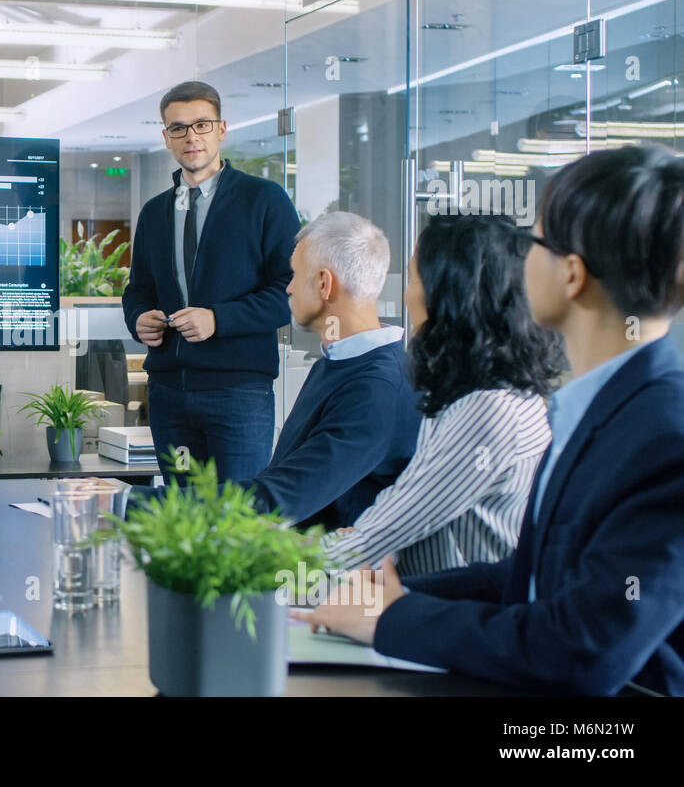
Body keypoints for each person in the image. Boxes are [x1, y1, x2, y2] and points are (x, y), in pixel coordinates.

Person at [298, 145, 684, 696]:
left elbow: (584, 649)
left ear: (572, 274)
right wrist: (395, 599)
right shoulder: (599, 406)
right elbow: (531, 577)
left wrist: (390, 619)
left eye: (536, 241)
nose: (518, 260)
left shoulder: (664, 435)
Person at [324, 215, 565, 573]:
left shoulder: (486, 412)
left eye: (414, 279)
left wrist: (265, 558)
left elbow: (378, 537)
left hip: (450, 602)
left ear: (449, 298)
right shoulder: (488, 394)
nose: (406, 295)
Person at [121, 80, 297, 485]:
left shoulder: (264, 200)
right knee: (183, 508)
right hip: (169, 395)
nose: (191, 137)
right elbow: (138, 288)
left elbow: (290, 289)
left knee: (237, 511)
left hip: (238, 394)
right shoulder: (154, 212)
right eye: (179, 128)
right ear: (166, 137)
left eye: (202, 124)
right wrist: (138, 317)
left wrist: (218, 319)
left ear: (221, 129)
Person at [240, 212, 421, 528]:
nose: (289, 288)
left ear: (325, 283)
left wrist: (146, 504)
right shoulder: (339, 362)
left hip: (331, 559)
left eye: (295, 274)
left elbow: (282, 500)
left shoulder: (378, 389)